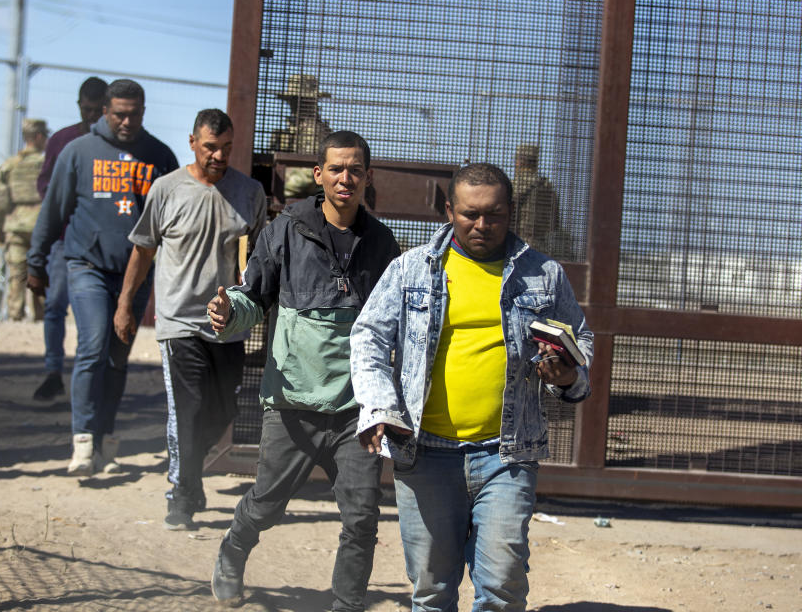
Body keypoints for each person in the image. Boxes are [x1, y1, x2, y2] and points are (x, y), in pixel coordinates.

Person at [350, 162, 594, 612]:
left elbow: (582, 341)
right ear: (449, 211)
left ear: (512, 211)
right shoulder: (411, 270)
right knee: (431, 590)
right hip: (425, 453)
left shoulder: (544, 275)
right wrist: (379, 406)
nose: (482, 225)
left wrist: (569, 374)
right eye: (469, 214)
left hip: (506, 454)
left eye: (495, 214)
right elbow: (369, 337)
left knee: (502, 587)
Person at [206, 131, 400, 611]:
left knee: (361, 519)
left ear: (367, 176)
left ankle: (347, 604)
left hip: (355, 409)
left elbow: (395, 321)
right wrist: (230, 312)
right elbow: (254, 297)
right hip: (294, 404)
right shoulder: (285, 231)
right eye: (336, 169)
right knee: (267, 504)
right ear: (319, 174)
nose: (345, 178)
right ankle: (233, 547)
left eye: (355, 169)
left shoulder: (381, 243)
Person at [113, 108, 266, 530]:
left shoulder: (248, 193)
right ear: (193, 143)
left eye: (226, 148)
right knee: (188, 408)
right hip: (180, 321)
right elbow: (143, 250)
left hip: (227, 325)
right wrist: (126, 303)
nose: (218, 156)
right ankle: (181, 494)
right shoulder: (167, 190)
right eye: (210, 147)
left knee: (220, 411)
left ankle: (191, 475)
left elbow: (255, 259)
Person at [27, 79, 178, 477]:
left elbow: (173, 220)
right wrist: (35, 262)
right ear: (105, 113)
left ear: (143, 112)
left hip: (135, 275)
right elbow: (53, 211)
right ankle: (82, 442)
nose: (127, 122)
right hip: (86, 266)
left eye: (135, 114)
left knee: (116, 359)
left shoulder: (159, 156)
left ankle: (107, 443)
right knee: (92, 347)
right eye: (119, 114)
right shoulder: (79, 152)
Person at [31, 77, 108, 404]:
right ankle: (53, 371)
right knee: (54, 306)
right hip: (65, 239)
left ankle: (89, 379)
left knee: (94, 315)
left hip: (102, 244)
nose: (90, 116)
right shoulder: (61, 141)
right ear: (79, 105)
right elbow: (45, 187)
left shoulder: (115, 145)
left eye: (96, 110)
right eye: (85, 109)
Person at [0, 118, 48, 321]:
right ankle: (41, 317)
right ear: (39, 137)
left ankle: (15, 315)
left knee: (17, 273)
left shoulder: (10, 165)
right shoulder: (47, 164)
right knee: (40, 272)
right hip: (41, 225)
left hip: (15, 225)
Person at [512, 143, 570, 258]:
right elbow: (555, 223)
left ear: (519, 162)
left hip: (516, 245)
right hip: (540, 248)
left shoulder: (514, 185)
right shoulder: (547, 187)